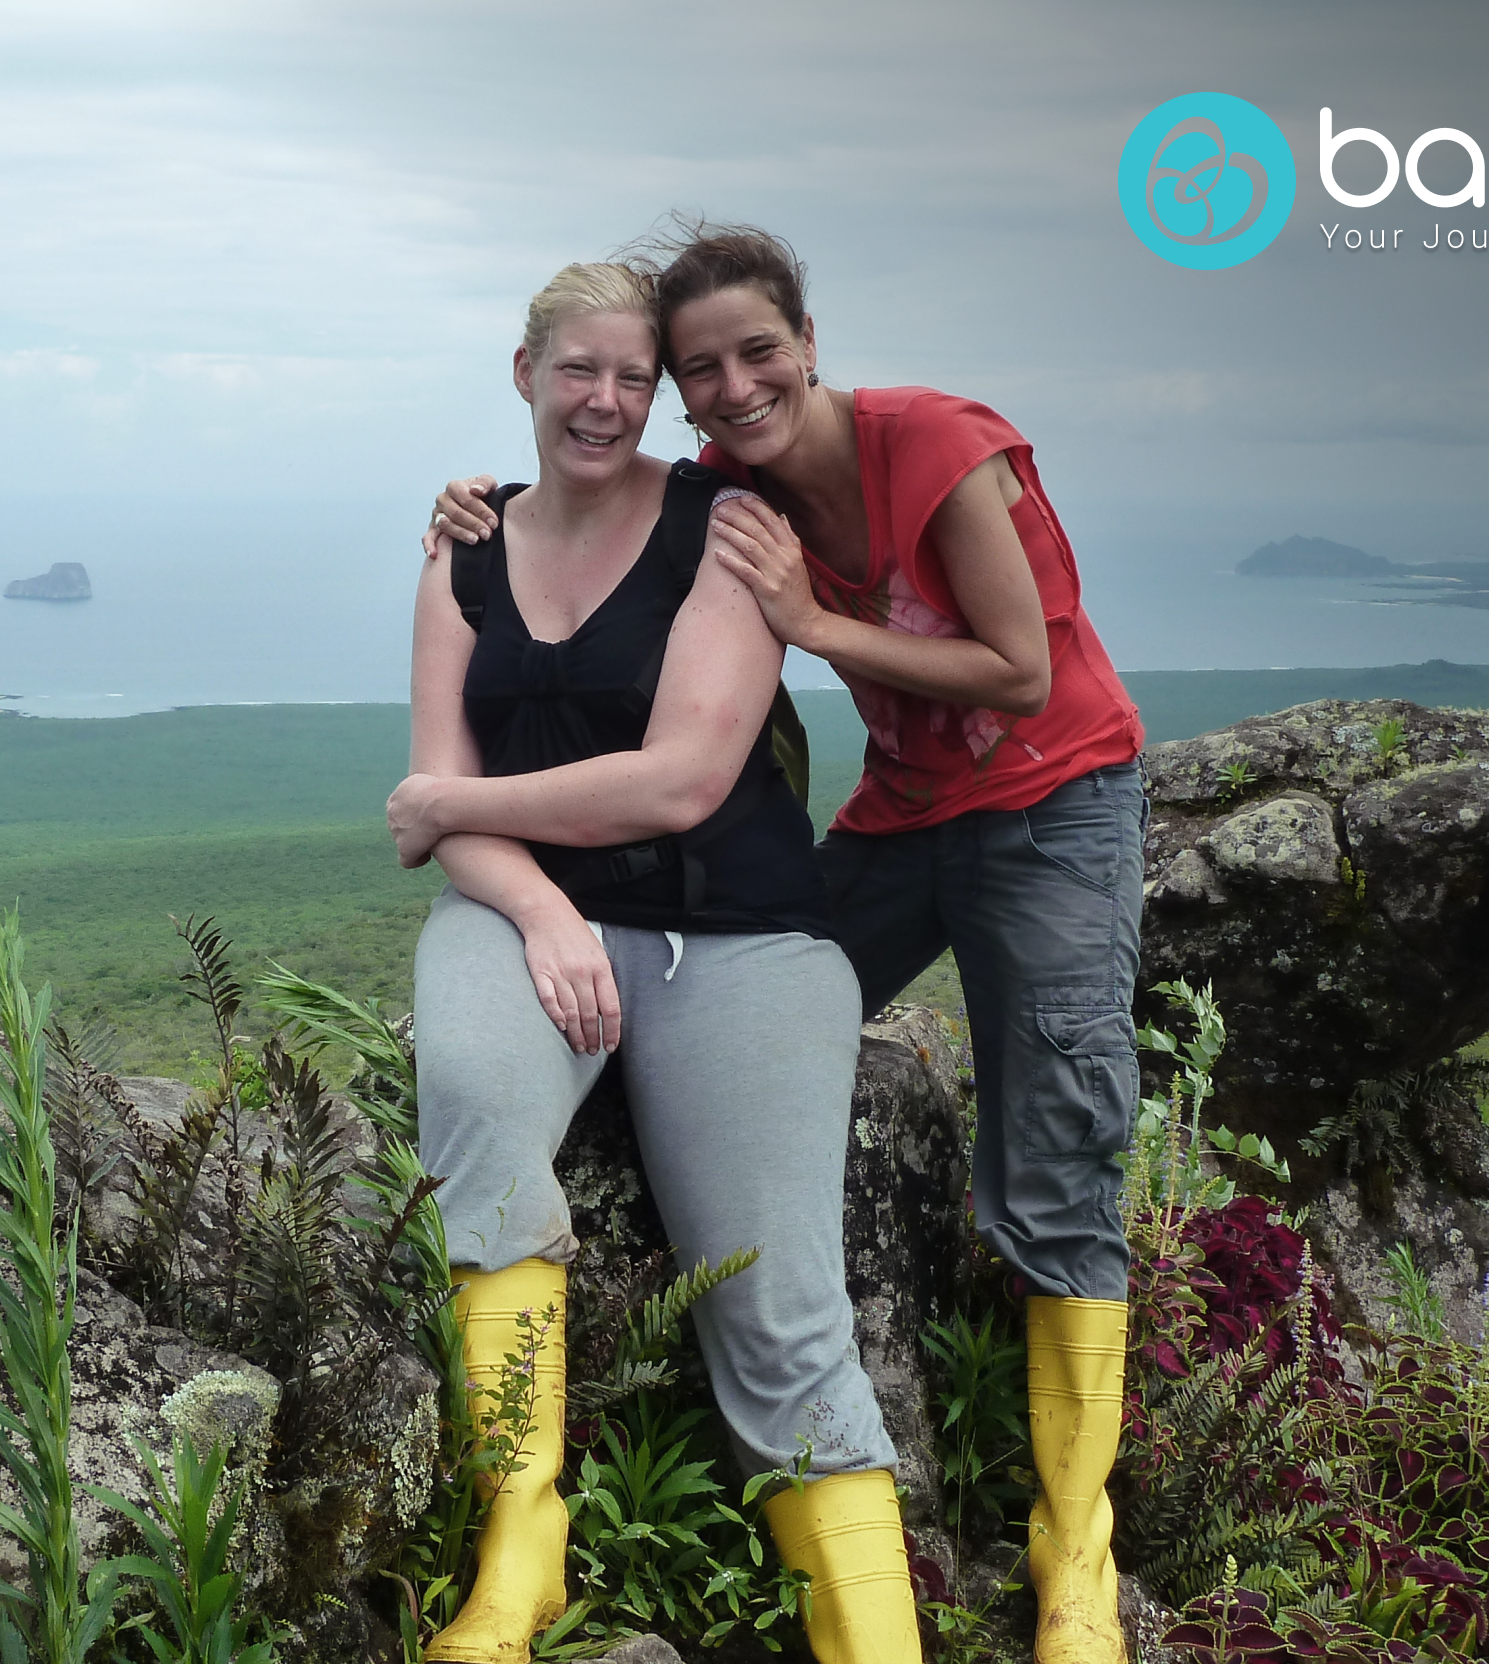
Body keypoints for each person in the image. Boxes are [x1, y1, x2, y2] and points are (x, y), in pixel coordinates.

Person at [426, 225, 1146, 1664]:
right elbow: (588, 504)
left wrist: (812, 616)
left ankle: (1076, 1550)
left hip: (1052, 799)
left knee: (1058, 1141)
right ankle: (529, 1542)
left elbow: (1014, 668)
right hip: (904, 813)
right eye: (698, 368)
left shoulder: (931, 446)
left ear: (811, 341)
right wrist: (470, 505)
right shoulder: (715, 488)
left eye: (754, 352)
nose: (727, 383)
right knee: (769, 1000)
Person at [394, 260, 922, 1664]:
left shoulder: (728, 530)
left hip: (735, 930)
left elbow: (684, 779)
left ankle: (876, 1640)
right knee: (481, 1125)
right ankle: (523, 1553)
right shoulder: (463, 549)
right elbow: (447, 818)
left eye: (637, 376)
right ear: (525, 373)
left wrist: (453, 808)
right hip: (517, 919)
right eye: (579, 370)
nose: (608, 401)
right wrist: (544, 910)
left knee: (776, 1297)